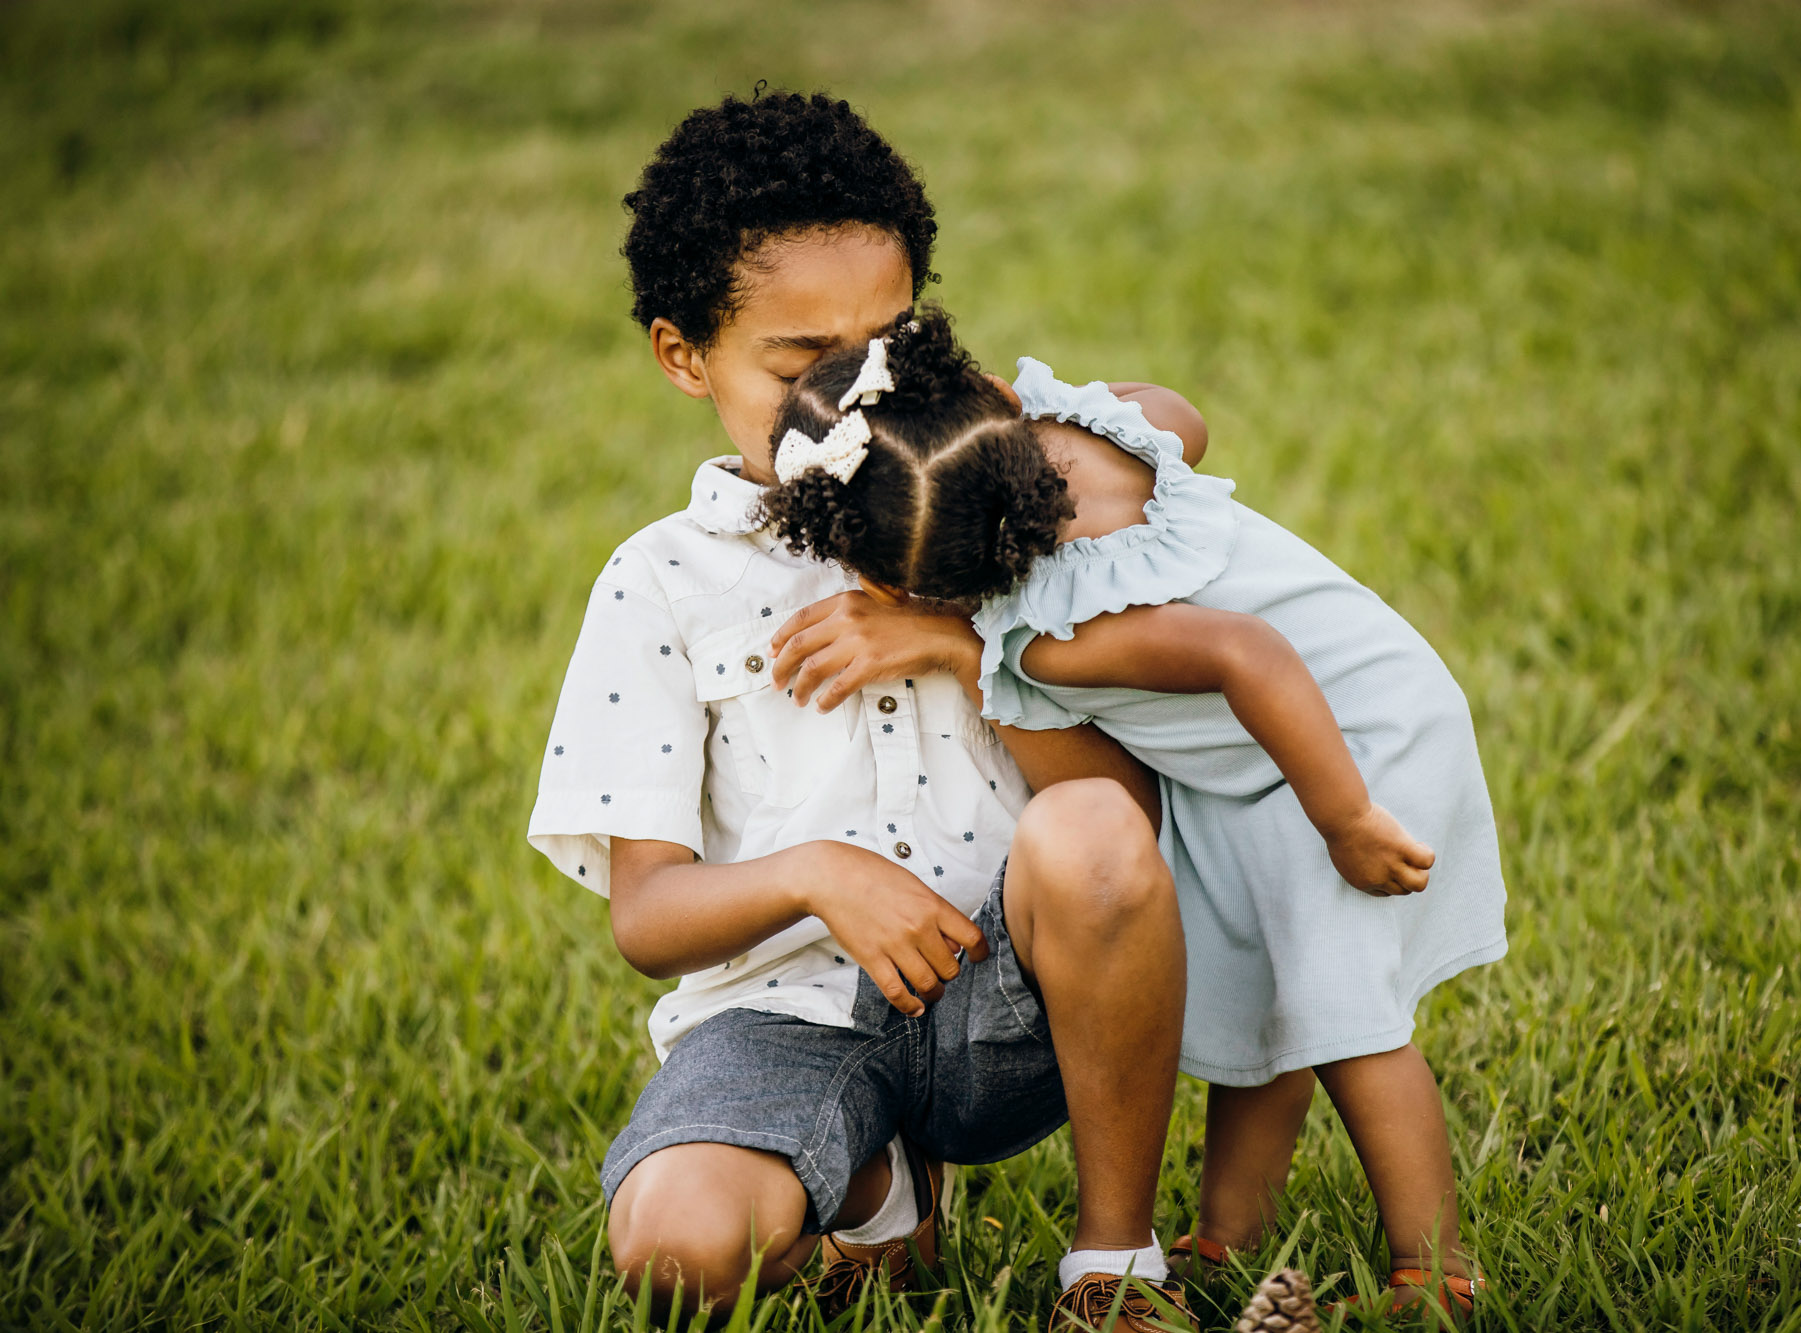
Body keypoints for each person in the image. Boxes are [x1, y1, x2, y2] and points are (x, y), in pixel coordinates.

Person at [527, 90, 1204, 1333]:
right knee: (675, 1247)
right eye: (794, 362)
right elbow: (647, 913)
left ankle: (1114, 1267)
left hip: (1011, 1002)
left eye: (888, 341)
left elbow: (1126, 818)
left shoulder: (989, 492)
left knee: (1094, 833)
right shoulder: (659, 581)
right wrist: (816, 874)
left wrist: (964, 647)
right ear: (683, 356)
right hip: (779, 1014)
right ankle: (877, 1191)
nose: (848, 395)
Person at [760, 308, 1510, 1323]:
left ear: (902, 582)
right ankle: (1228, 1236)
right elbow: (1183, 419)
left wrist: (1343, 822)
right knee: (1263, 972)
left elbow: (1247, 655)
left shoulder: (1051, 637)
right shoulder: (1091, 430)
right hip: (1280, 747)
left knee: (1345, 1012)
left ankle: (1438, 1273)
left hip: (1349, 752)